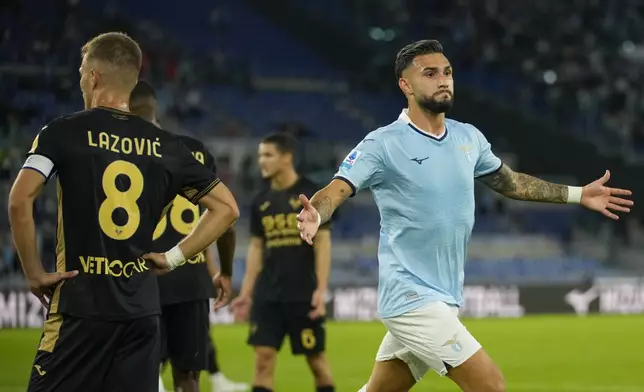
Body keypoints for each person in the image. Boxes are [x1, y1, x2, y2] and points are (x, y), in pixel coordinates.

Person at [295, 39, 634, 392]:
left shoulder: (467, 137)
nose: (443, 80)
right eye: (430, 73)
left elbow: (512, 183)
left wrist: (579, 194)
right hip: (411, 299)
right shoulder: (382, 144)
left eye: (448, 72)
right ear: (405, 85)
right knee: (490, 386)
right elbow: (337, 189)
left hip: (443, 296)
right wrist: (317, 214)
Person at [8, 32, 239, 392]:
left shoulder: (62, 132)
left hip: (80, 307)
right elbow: (227, 208)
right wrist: (174, 257)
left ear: (94, 77)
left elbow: (19, 200)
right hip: (141, 312)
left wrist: (34, 273)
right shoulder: (167, 146)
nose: (81, 79)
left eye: (83, 71)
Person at [129, 80, 248, 392]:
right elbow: (224, 217)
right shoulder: (192, 151)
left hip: (134, 279)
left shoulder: (116, 151)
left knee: (137, 372)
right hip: (189, 278)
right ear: (155, 108)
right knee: (188, 378)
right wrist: (224, 271)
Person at [230, 133, 335, 392]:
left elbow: (323, 243)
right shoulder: (260, 202)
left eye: (267, 155)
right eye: (260, 155)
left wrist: (321, 290)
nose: (261, 161)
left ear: (287, 157)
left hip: (302, 294)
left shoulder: (312, 194)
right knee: (263, 361)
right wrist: (246, 293)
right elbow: (256, 248)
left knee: (316, 362)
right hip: (268, 296)